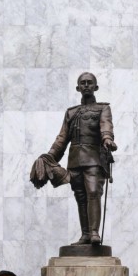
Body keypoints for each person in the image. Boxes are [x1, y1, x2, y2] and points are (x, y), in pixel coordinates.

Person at [45, 71, 117, 245]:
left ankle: (94, 233)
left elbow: (106, 126)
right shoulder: (71, 113)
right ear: (77, 88)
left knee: (93, 192)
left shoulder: (102, 108)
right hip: (75, 161)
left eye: (89, 82)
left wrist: (107, 139)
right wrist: (50, 156)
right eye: (82, 83)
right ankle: (85, 234)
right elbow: (62, 138)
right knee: (81, 197)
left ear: (96, 87)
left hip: (94, 159)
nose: (86, 85)